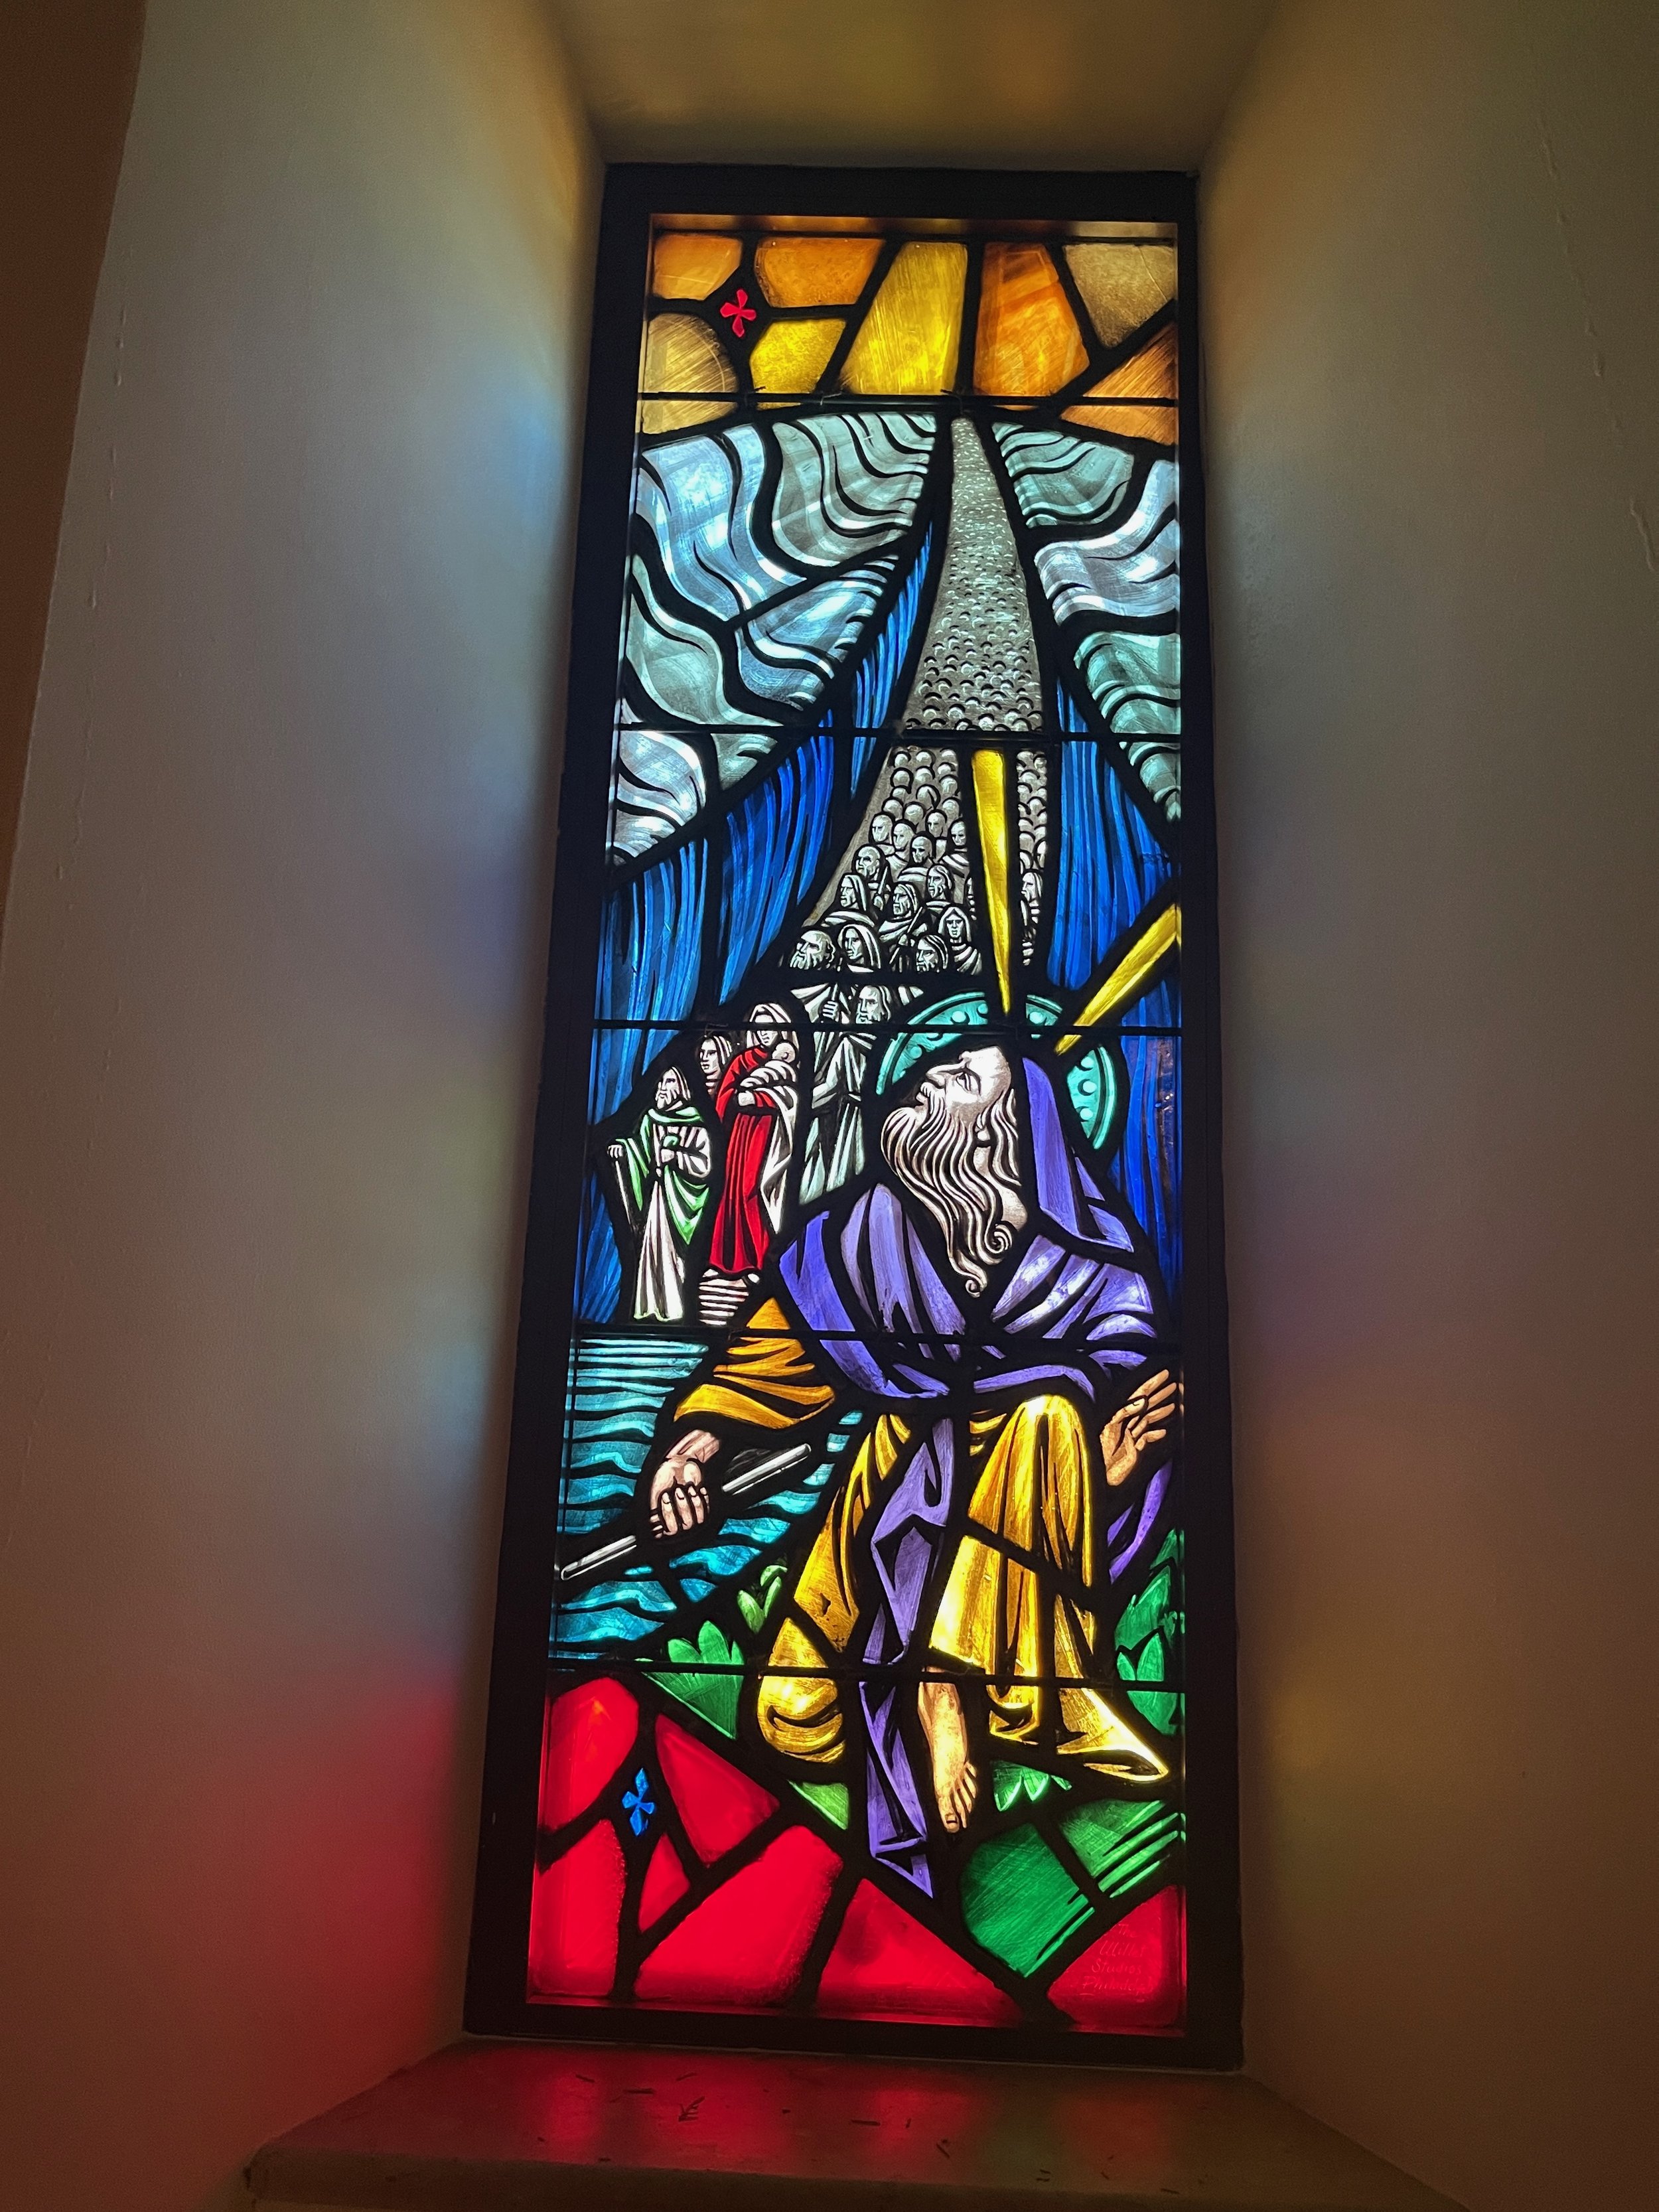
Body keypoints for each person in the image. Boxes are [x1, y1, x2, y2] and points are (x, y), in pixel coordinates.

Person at [642, 1045, 1177, 1894]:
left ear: (1001, 1138)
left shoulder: (1096, 1280)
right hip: (893, 1494)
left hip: (1037, 1528)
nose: (928, 1076)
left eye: (960, 1079)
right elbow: (782, 1353)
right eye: (939, 1068)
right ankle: (940, 1669)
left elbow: (1131, 1432)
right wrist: (693, 1448)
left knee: (1043, 1414)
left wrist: (1102, 1470)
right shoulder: (865, 1236)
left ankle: (945, 1676)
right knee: (790, 1716)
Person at [607, 1067, 712, 1323]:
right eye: (661, 1081)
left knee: (675, 1255)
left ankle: (674, 1308)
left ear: (683, 1088)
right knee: (652, 1250)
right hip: (657, 1197)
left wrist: (676, 1157)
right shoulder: (650, 1120)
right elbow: (640, 1154)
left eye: (670, 1081)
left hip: (681, 1202)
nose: (663, 1087)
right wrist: (623, 1150)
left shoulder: (697, 1124)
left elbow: (706, 1166)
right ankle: (649, 1306)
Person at [798, 982, 888, 1203]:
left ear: (884, 1010)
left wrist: (797, 1108)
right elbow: (830, 1087)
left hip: (870, 1121)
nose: (863, 1009)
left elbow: (829, 1089)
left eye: (871, 1003)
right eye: (861, 1003)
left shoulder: (883, 1045)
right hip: (857, 1120)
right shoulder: (852, 1043)